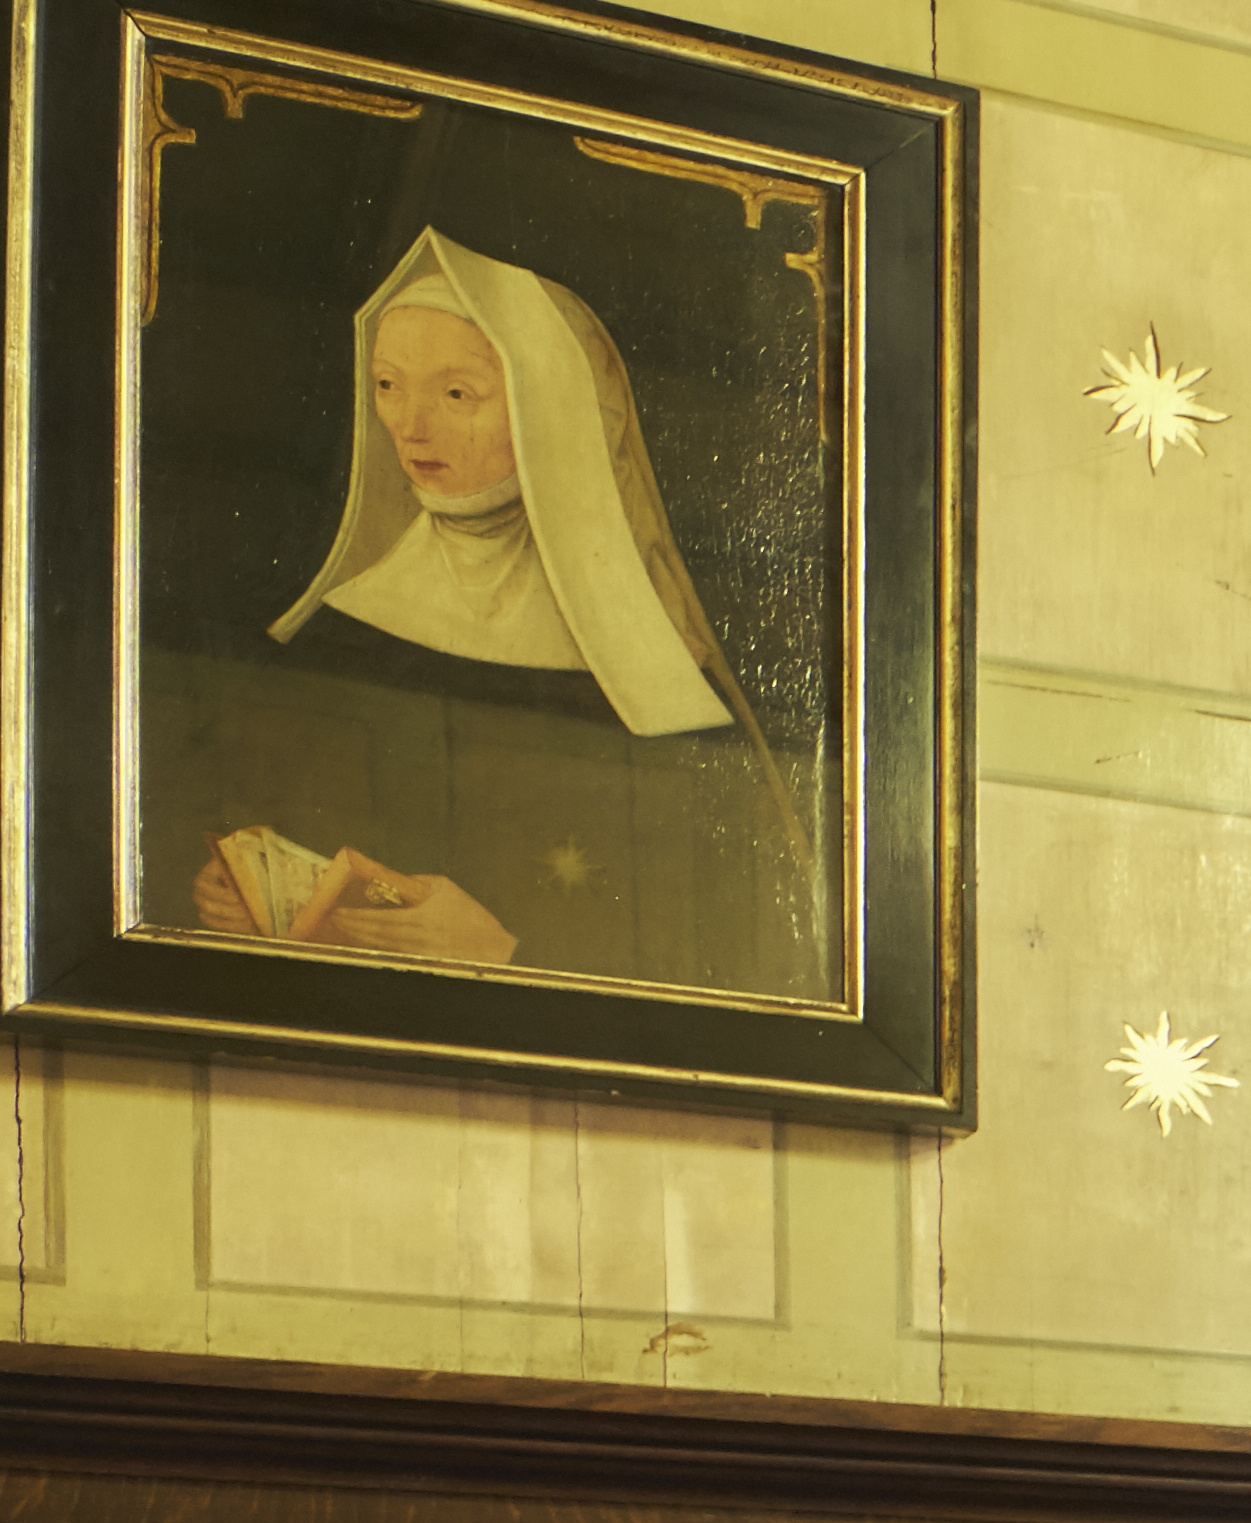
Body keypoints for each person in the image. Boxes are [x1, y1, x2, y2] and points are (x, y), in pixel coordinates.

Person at [143, 229, 824, 998]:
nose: (410, 427)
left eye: (457, 393)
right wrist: (222, 896)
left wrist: (505, 951)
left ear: (550, 412)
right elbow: (203, 824)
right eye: (388, 385)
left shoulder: (653, 680)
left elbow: (733, 955)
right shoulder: (343, 625)